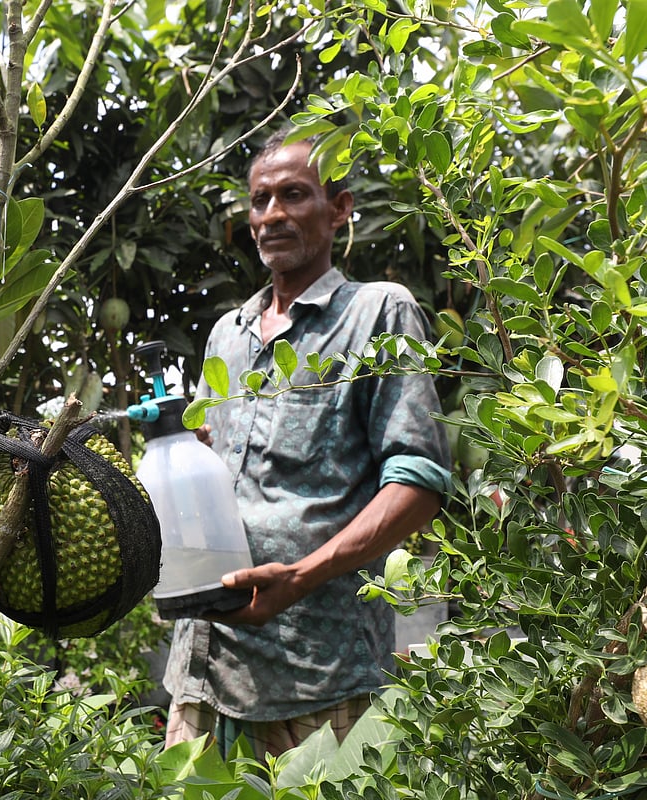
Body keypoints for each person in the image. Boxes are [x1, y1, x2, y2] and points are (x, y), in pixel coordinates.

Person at [162, 128, 453, 758]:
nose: (271, 215)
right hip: (204, 671)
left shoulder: (377, 314)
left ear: (339, 208)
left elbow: (419, 482)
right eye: (259, 200)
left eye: (293, 195)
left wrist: (300, 575)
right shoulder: (227, 335)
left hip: (320, 674)